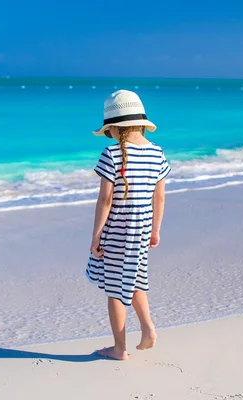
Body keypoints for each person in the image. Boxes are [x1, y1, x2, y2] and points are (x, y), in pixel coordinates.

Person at [86, 90, 170, 360]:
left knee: (114, 290)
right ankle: (147, 328)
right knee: (134, 279)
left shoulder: (111, 154)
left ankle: (119, 348)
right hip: (143, 229)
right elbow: (159, 196)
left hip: (118, 231)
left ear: (113, 127)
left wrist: (97, 235)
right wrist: (156, 229)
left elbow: (105, 200)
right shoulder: (157, 153)